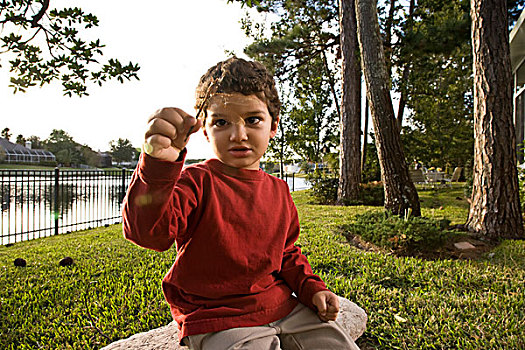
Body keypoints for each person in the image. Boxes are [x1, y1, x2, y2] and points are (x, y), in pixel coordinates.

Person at [122, 57, 360, 350]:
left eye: (253, 119)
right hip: (217, 316)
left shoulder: (280, 190)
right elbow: (148, 233)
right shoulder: (195, 181)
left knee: (338, 344)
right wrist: (158, 165)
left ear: (272, 126)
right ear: (206, 131)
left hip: (282, 306)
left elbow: (286, 252)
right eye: (221, 122)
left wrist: (311, 288)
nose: (238, 135)